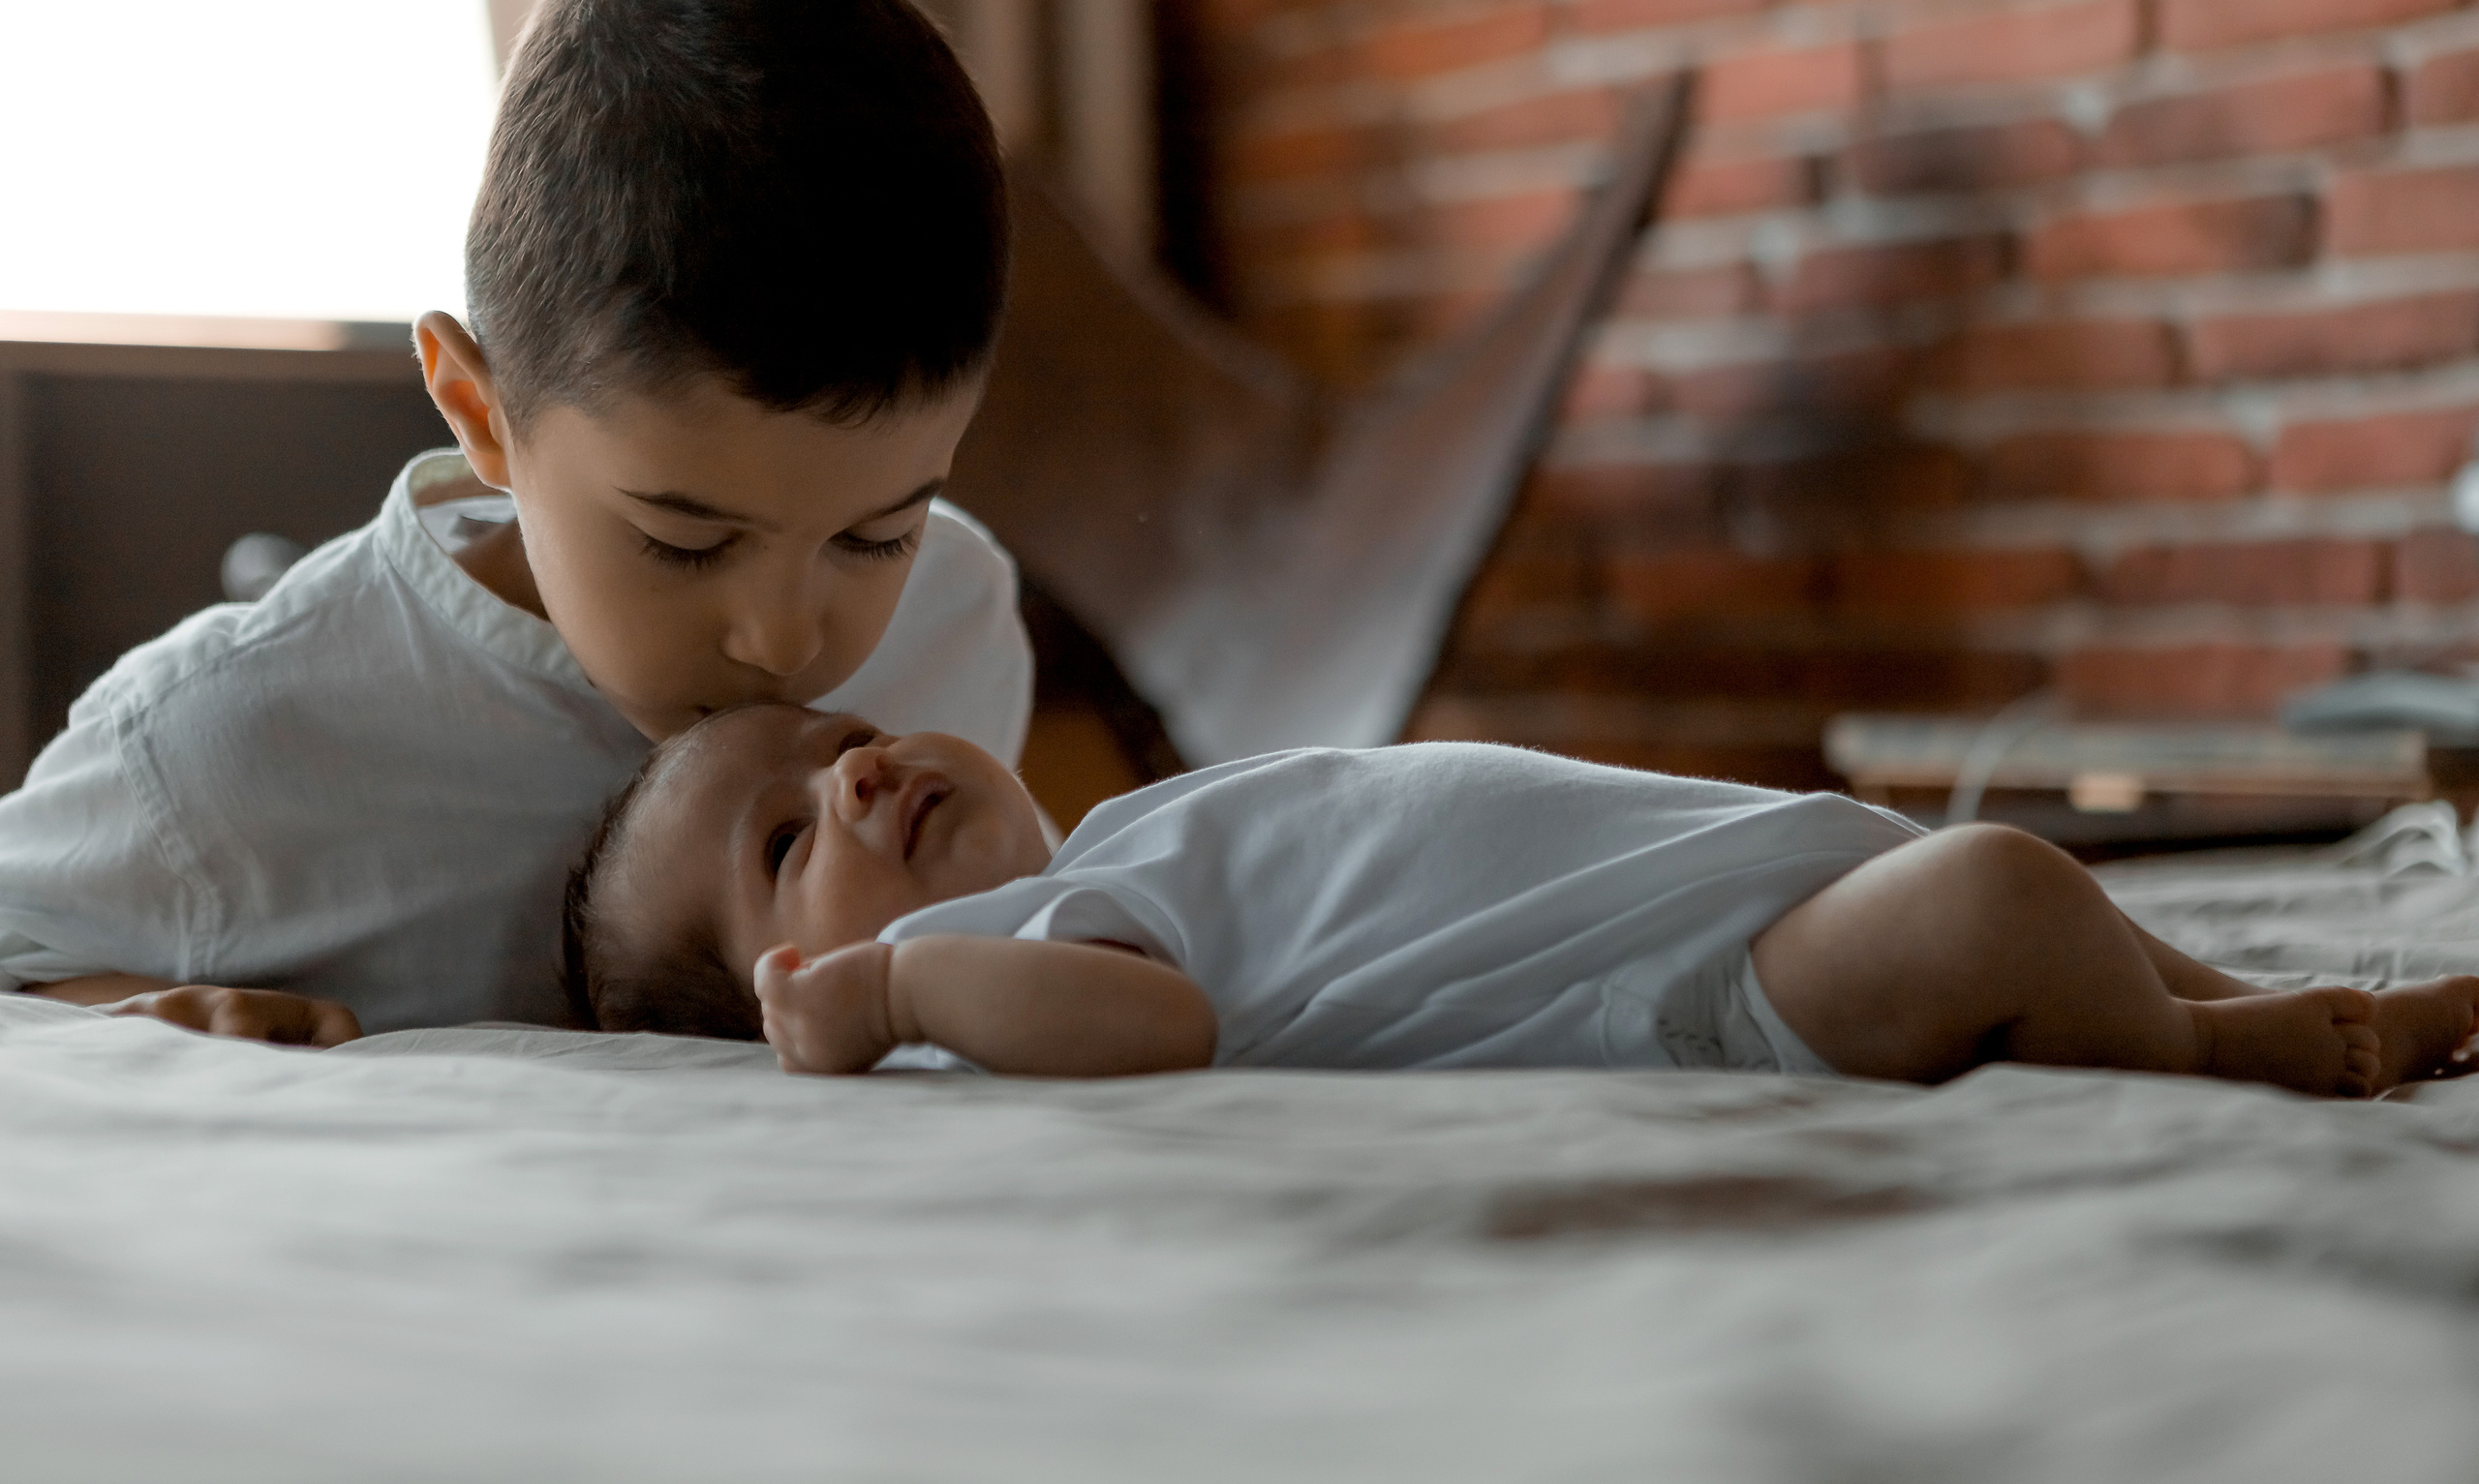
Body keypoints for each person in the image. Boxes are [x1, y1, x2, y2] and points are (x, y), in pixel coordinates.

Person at [0, 0, 1029, 1041]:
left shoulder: (959, 623)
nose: (785, 643)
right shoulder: (221, 752)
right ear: (480, 410)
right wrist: (127, 1015)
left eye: (877, 534)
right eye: (686, 542)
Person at [565, 703, 2479, 1097]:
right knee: (1991, 892)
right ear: (795, 975)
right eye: (782, 838)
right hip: (1697, 976)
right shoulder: (998, 961)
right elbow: (1158, 1028)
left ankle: (2243, 986)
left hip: (1731, 870)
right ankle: (2215, 1048)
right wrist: (897, 1007)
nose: (852, 771)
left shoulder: (1116, 839)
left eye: (840, 738)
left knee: (2004, 882)